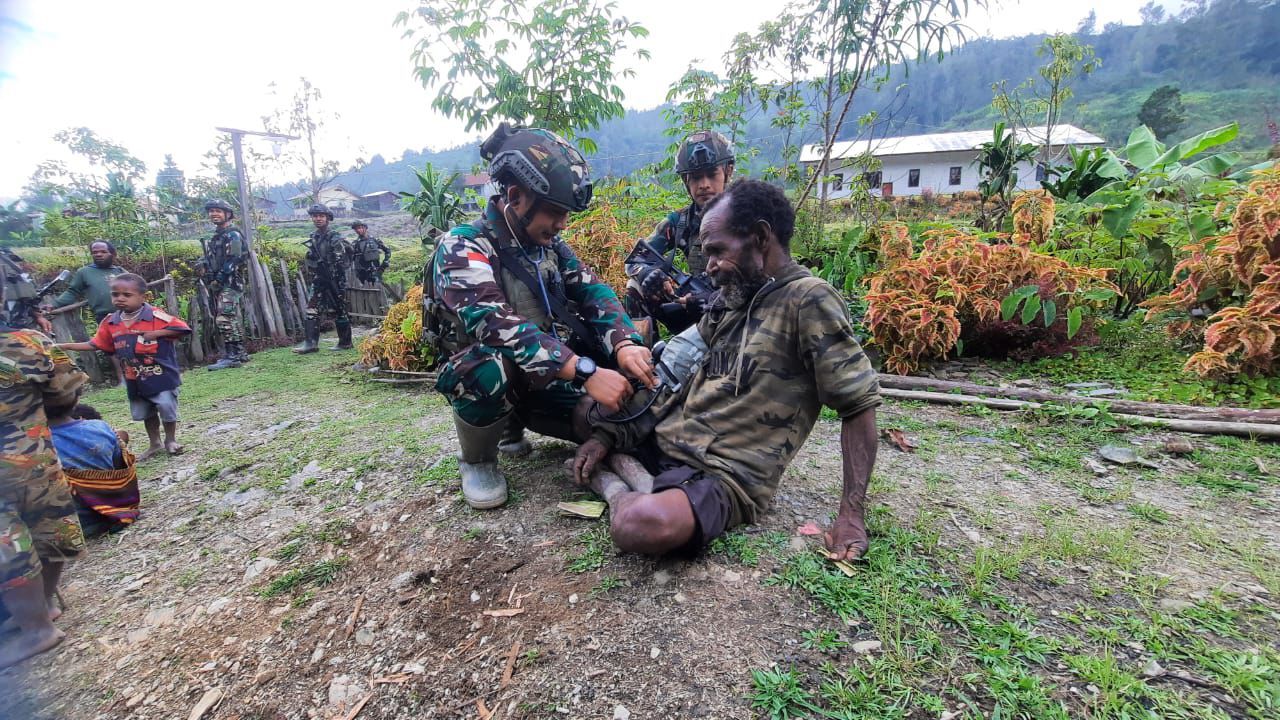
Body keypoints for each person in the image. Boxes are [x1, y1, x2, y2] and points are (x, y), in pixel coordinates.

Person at [573, 179, 881, 561]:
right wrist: (606, 437)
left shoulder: (808, 301)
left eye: (718, 251)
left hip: (722, 474)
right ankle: (633, 471)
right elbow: (672, 377)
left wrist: (851, 513)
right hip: (667, 442)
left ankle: (617, 484)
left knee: (638, 525)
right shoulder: (730, 300)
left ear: (760, 237)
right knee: (588, 409)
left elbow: (858, 405)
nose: (711, 267)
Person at [426, 122, 656, 510]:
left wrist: (624, 344)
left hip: (544, 377)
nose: (562, 224)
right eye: (555, 212)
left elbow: (593, 291)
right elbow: (493, 323)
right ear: (516, 197)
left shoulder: (548, 248)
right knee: (492, 364)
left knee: (616, 407)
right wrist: (585, 371)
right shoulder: (463, 246)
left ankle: (538, 422)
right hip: (488, 371)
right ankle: (478, 458)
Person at [0, 260, 88, 670]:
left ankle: (36, 628)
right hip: (36, 456)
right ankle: (45, 605)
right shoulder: (29, 342)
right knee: (47, 526)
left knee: (9, 548)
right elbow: (65, 393)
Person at [58, 274, 191, 461]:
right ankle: (155, 443)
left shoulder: (154, 315)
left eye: (126, 295)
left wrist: (156, 333)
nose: (120, 298)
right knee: (146, 412)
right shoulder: (110, 322)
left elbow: (183, 328)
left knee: (166, 407)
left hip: (161, 376)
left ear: (142, 297)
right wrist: (64, 346)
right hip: (134, 377)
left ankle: (171, 440)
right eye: (115, 294)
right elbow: (96, 344)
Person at [623, 130, 735, 337]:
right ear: (686, 181)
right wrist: (648, 273)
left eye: (712, 174)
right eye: (695, 178)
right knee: (635, 286)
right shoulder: (680, 222)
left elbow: (768, 279)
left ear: (728, 171)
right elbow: (634, 260)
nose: (704, 185)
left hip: (738, 311)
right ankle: (643, 360)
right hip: (694, 307)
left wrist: (717, 300)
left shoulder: (747, 216)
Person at [48, 400, 139, 537]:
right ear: (75, 398)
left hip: (77, 526)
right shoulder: (102, 428)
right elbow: (120, 469)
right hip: (118, 512)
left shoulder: (34, 448)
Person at [198, 199, 250, 371]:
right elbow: (212, 258)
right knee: (229, 317)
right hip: (221, 282)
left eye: (218, 211)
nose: (214, 214)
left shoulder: (232, 234)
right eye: (211, 211)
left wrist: (219, 278)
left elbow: (235, 258)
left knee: (224, 317)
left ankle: (233, 356)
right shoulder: (217, 236)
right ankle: (239, 353)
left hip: (231, 282)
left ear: (227, 214)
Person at [293, 204, 352, 353]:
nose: (318, 219)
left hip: (335, 279)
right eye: (315, 216)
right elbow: (311, 258)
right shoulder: (314, 237)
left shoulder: (334, 236)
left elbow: (341, 258)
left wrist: (332, 268)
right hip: (320, 278)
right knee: (311, 309)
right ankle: (310, 343)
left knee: (340, 309)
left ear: (327, 218)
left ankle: (345, 342)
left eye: (321, 216)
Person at [44, 240, 126, 322]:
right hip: (105, 317)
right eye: (95, 252)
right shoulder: (85, 272)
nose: (99, 254)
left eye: (103, 252)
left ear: (113, 254)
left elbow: (136, 290)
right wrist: (54, 305)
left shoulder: (120, 272)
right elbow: (72, 292)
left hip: (128, 314)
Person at [350, 220, 391, 285]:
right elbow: (350, 258)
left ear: (365, 228)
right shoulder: (355, 244)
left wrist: (384, 265)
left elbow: (388, 250)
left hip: (376, 272)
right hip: (362, 275)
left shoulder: (375, 240)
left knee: (379, 291)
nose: (358, 230)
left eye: (359, 228)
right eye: (356, 229)